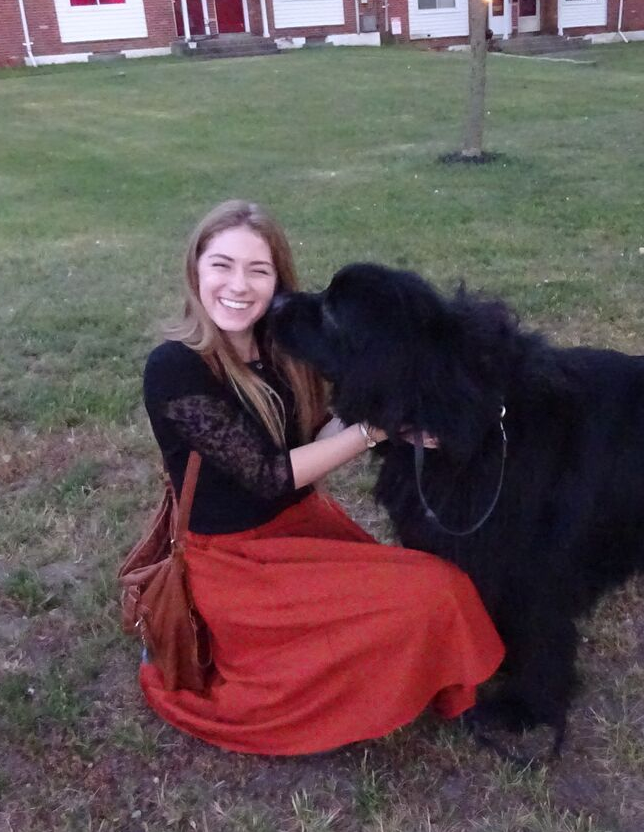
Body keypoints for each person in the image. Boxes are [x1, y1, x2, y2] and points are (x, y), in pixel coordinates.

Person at [138, 199, 504, 755]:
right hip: (236, 562)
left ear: (278, 280)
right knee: (432, 593)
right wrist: (374, 430)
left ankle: (438, 679)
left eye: (258, 270)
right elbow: (267, 475)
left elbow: (317, 432)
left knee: (431, 589)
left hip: (303, 527)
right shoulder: (174, 367)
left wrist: (396, 415)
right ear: (195, 269)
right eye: (222, 265)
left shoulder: (280, 346)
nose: (238, 285)